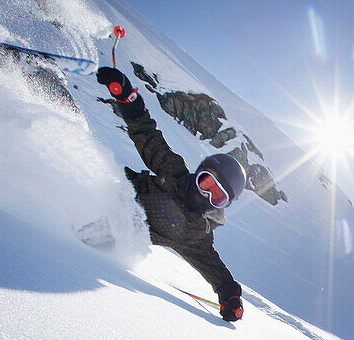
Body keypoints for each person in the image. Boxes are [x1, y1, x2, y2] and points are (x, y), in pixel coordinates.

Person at [97, 66, 247, 322]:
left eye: (217, 197)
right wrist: (128, 99)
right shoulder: (174, 171)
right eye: (207, 182)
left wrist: (230, 296)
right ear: (200, 172)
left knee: (100, 235)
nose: (206, 195)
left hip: (113, 232)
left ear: (222, 205)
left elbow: (215, 270)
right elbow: (147, 135)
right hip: (110, 189)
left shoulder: (196, 233)